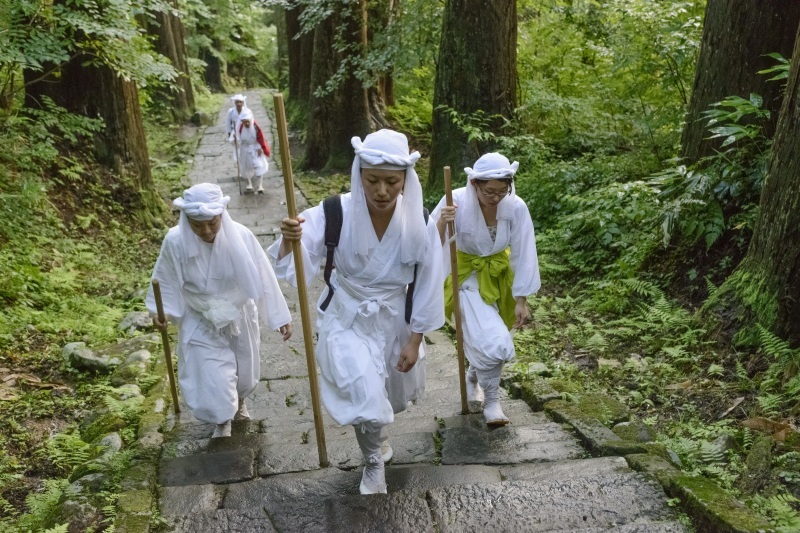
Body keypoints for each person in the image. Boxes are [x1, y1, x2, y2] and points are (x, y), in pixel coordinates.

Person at [268, 129, 444, 495]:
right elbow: (299, 259)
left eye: (392, 182)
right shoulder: (334, 211)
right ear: (359, 174)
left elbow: (427, 282)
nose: (382, 191)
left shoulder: (420, 221)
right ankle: (373, 465)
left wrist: (415, 339)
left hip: (393, 316)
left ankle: (376, 442)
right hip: (346, 316)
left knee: (388, 395)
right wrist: (289, 237)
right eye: (372, 180)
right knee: (361, 389)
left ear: (405, 180)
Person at [146, 183, 292, 438]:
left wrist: (279, 316)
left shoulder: (242, 235)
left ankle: (240, 401)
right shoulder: (174, 241)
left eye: (212, 223)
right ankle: (221, 419)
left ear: (222, 215)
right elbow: (165, 279)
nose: (205, 231)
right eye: (197, 224)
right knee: (211, 375)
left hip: (238, 313)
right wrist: (161, 312)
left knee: (244, 370)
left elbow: (262, 274)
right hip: (200, 316)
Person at [432, 153, 540, 427]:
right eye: (489, 191)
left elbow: (524, 253)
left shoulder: (515, 207)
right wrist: (444, 221)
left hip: (498, 277)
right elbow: (427, 242)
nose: (496, 198)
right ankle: (492, 402)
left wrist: (521, 299)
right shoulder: (453, 200)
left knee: (493, 336)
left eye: (503, 191)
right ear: (474, 184)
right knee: (494, 341)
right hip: (465, 277)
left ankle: (473, 374)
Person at [237, 109, 271, 193]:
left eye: (248, 121)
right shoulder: (240, 127)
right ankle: (249, 183)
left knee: (259, 165)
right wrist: (235, 139)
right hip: (245, 148)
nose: (247, 124)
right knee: (247, 167)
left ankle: (260, 185)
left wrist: (261, 148)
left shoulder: (255, 126)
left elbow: (261, 138)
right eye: (244, 122)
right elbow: (237, 138)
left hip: (255, 147)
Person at [226, 94, 249, 164]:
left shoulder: (247, 111)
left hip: (245, 132)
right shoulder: (231, 112)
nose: (239, 104)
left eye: (240, 102)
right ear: (235, 103)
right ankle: (239, 163)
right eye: (237, 102)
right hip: (235, 133)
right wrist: (229, 133)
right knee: (237, 149)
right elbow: (228, 123)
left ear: (243, 103)